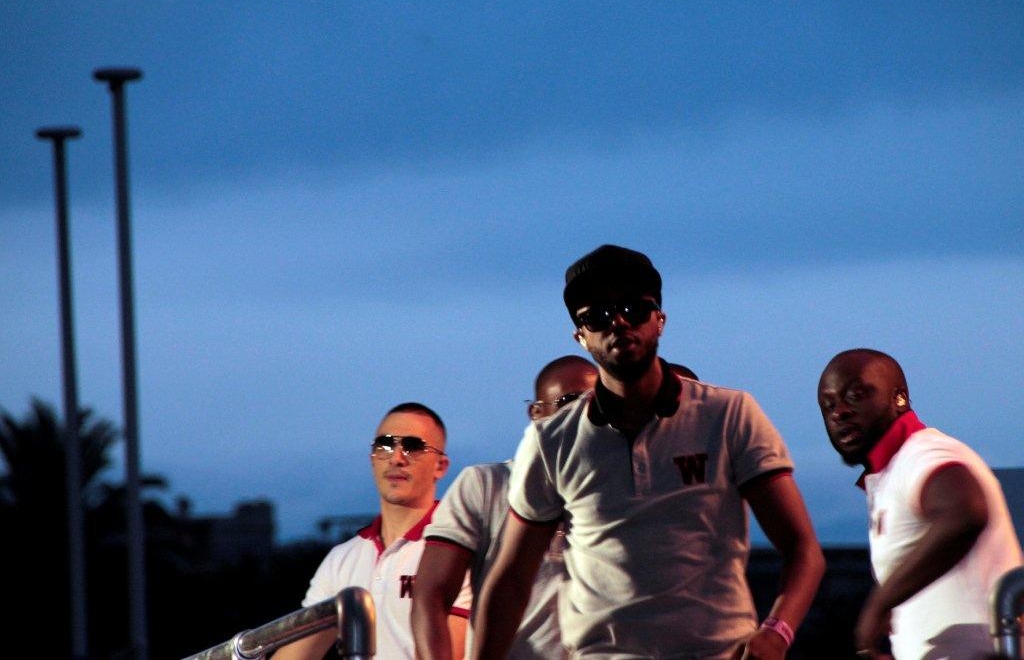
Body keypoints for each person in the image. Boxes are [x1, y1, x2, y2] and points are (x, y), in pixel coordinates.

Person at [472, 244, 825, 660]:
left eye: (634, 308)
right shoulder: (552, 440)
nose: (618, 322)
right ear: (580, 336)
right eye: (598, 316)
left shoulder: (728, 415)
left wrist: (777, 633)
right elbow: (512, 578)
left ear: (660, 319)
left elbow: (802, 548)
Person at [817, 348, 1023, 659]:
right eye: (828, 405)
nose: (839, 412)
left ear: (899, 398)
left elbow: (966, 510)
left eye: (856, 395)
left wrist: (879, 604)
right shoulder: (892, 472)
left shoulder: (923, 453)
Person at [412, 355, 598, 659]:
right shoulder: (487, 484)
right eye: (570, 401)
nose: (583, 413)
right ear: (536, 413)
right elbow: (431, 594)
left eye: (595, 402)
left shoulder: (618, 492)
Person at [272, 402, 469, 660]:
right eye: (385, 445)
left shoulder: (463, 550)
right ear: (373, 459)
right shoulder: (341, 559)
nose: (397, 458)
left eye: (413, 446)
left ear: (440, 466)